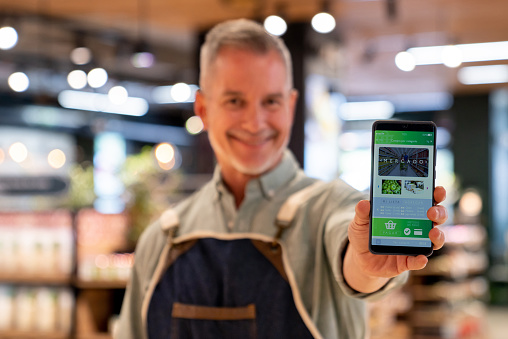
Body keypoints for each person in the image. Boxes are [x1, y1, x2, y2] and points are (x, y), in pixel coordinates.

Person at [116, 18, 447, 339]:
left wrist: (367, 265)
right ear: (202, 108)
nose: (255, 121)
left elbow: (352, 252)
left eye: (271, 101)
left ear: (290, 106)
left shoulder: (330, 207)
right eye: (235, 101)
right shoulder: (163, 238)